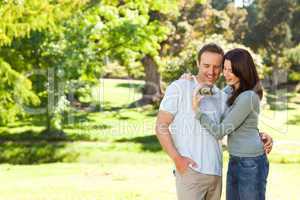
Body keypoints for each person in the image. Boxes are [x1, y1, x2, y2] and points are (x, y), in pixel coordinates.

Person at [155, 43, 273, 200]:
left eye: (218, 67)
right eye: (206, 65)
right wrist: (177, 159)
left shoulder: (230, 96)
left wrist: (262, 135)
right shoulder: (183, 88)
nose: (212, 71)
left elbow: (229, 127)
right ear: (197, 64)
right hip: (192, 171)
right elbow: (161, 125)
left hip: (222, 171)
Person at [192, 48, 269, 200]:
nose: (226, 74)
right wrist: (190, 79)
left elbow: (220, 131)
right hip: (236, 159)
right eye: (225, 69)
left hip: (250, 163)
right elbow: (208, 92)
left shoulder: (249, 96)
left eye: (231, 70)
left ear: (242, 70)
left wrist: (197, 112)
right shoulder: (230, 90)